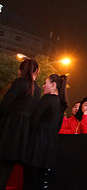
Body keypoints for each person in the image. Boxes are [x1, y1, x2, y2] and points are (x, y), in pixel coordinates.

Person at [0, 58, 42, 189]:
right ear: (36, 72)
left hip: (8, 126)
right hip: (22, 132)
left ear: (20, 70)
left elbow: (4, 105)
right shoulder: (38, 89)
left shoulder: (19, 83)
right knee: (6, 170)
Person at [24, 74, 68, 189]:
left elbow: (33, 119)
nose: (43, 86)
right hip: (50, 144)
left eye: (46, 83)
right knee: (41, 179)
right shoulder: (61, 104)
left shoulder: (47, 99)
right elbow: (58, 126)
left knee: (30, 178)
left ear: (53, 85)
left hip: (38, 141)